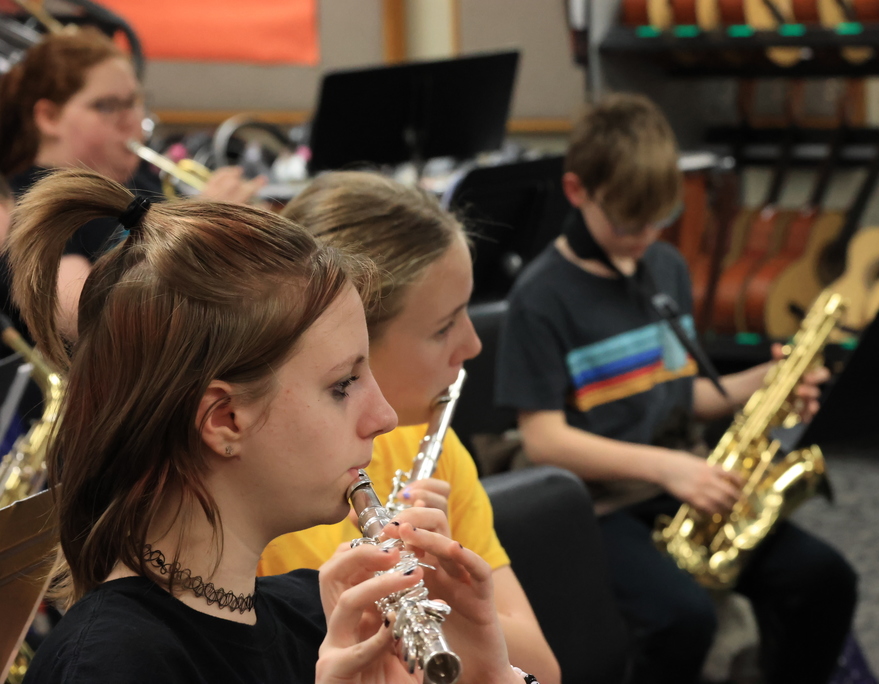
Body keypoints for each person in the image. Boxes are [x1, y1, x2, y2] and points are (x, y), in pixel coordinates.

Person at [10, 168, 527, 684]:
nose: (385, 417)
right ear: (225, 419)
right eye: (343, 385)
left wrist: (492, 674)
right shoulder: (110, 665)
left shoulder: (321, 611)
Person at [494, 93, 858, 684]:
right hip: (599, 505)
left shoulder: (664, 268)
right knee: (681, 619)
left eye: (656, 221)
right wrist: (669, 469)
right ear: (576, 192)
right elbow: (544, 440)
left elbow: (683, 394)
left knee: (824, 577)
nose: (642, 237)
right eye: (625, 221)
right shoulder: (541, 297)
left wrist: (763, 384)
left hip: (679, 481)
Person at [260, 171, 560, 684]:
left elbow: (542, 670)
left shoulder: (428, 447)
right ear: (356, 340)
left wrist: (436, 592)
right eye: (444, 326)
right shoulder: (267, 482)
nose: (472, 346)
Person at [0, 27, 263, 339]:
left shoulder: (141, 178)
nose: (130, 120)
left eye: (134, 101)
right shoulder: (31, 201)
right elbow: (82, 318)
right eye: (107, 106)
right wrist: (204, 229)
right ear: (49, 117)